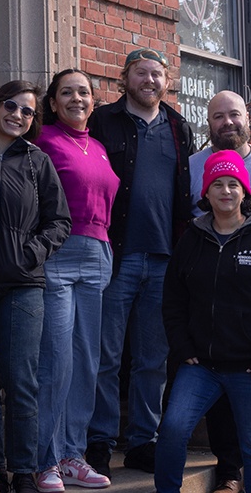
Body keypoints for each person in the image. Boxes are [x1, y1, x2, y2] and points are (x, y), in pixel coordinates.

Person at [155, 150, 251, 493]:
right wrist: (183, 346)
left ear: (245, 192)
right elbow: (173, 298)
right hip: (201, 366)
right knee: (173, 430)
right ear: (205, 193)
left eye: (233, 184)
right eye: (217, 184)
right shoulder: (192, 238)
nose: (225, 191)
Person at [84, 48, 195, 477]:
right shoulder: (102, 122)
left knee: (153, 358)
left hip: (165, 260)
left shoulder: (177, 126)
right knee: (106, 356)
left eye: (156, 74)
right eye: (140, 73)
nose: (149, 81)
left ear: (165, 82)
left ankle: (142, 441)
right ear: (124, 78)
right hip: (116, 256)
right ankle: (100, 440)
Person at [0, 81, 72, 493]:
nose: (18, 115)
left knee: (21, 381)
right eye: (11, 106)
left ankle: (25, 472)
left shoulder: (37, 161)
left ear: (34, 121)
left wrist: (32, 252)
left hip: (24, 286)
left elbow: (60, 221)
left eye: (27, 112)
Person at [188, 90, 251, 493]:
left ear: (248, 119)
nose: (227, 123)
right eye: (218, 117)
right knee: (222, 391)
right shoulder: (193, 167)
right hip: (212, 297)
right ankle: (229, 472)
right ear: (209, 123)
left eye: (234, 115)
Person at [32, 69, 119, 492]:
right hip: (60, 256)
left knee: (87, 360)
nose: (76, 99)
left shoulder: (99, 147)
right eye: (66, 92)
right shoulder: (43, 141)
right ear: (53, 102)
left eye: (83, 92)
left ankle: (72, 454)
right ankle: (44, 458)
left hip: (98, 254)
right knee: (57, 359)